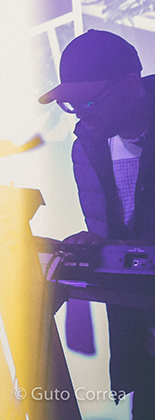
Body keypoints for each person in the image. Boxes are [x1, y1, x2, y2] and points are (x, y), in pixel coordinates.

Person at [39, 29, 155, 418]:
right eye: (70, 105)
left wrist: (121, 249)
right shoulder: (85, 148)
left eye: (88, 101)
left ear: (131, 84)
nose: (80, 113)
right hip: (143, 339)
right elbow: (117, 247)